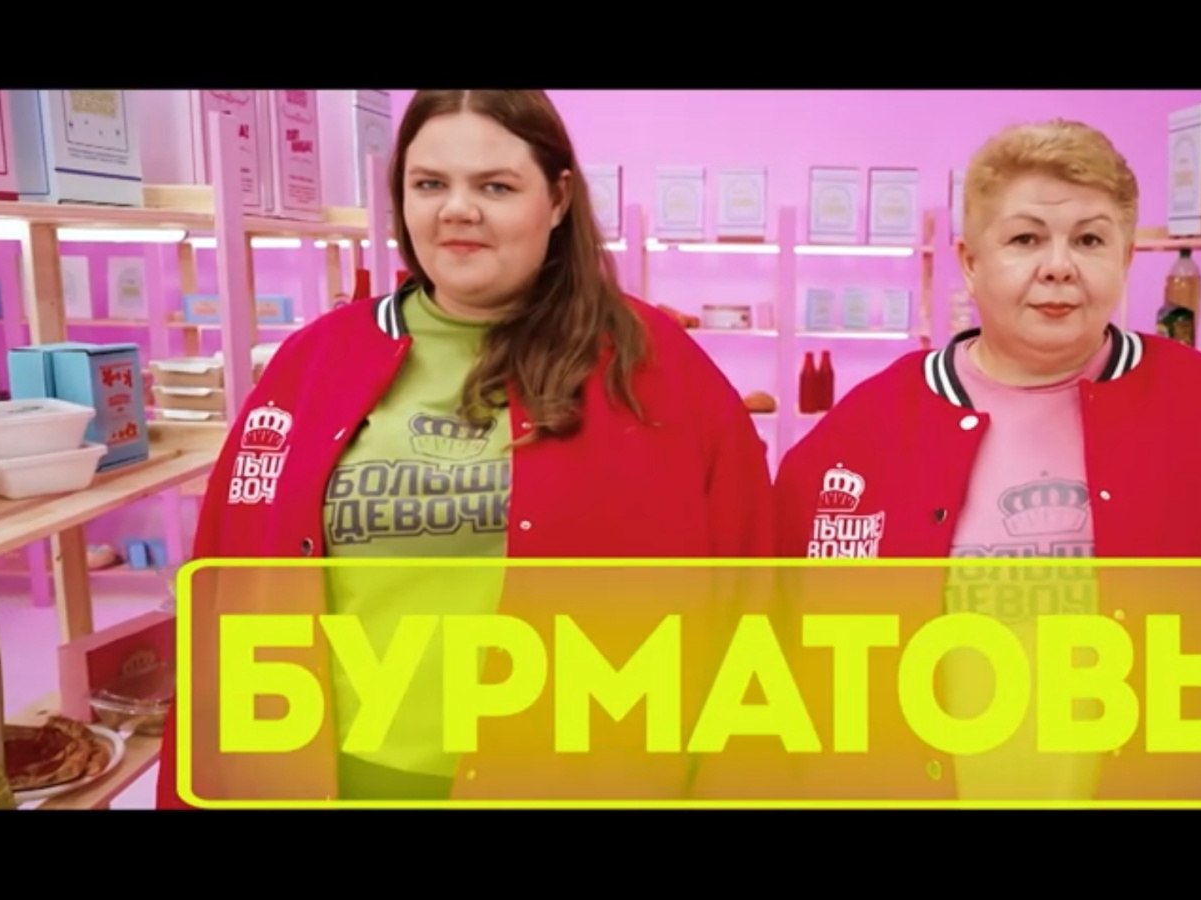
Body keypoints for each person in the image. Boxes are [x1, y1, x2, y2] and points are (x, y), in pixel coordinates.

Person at [155, 90, 773, 808]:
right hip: (350, 780)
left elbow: (750, 597)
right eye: (429, 184)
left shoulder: (655, 366)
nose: (457, 210)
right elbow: (230, 591)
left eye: (495, 186)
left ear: (558, 199)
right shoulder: (314, 363)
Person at [770, 119, 1201, 808]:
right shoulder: (857, 440)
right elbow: (780, 680)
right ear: (970, 261)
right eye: (1025, 239)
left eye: (1090, 240)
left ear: (1126, 258)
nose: (1059, 266)